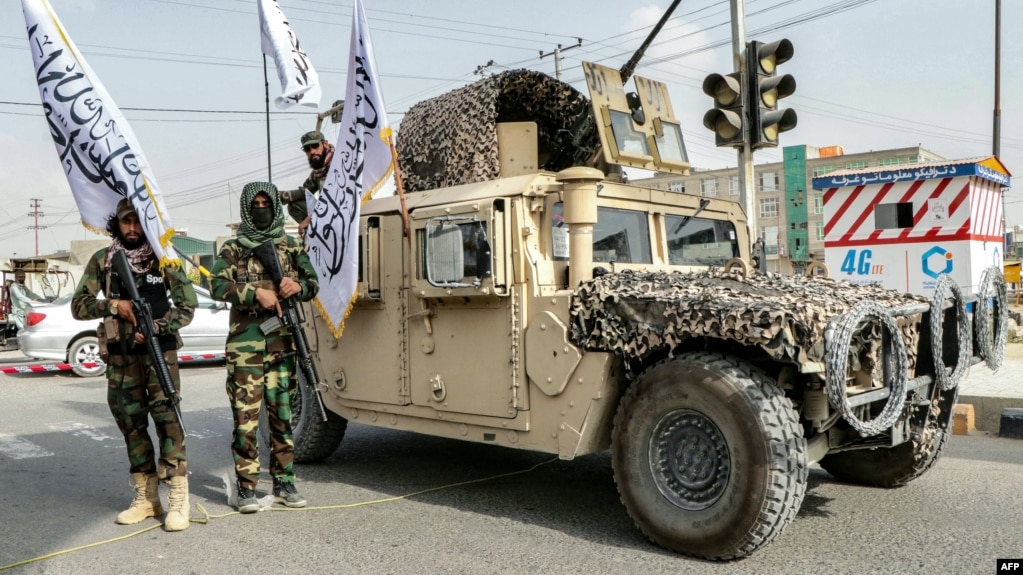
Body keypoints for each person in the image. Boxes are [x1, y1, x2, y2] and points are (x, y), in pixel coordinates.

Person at [70, 198, 197, 532]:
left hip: (160, 352)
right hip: (123, 356)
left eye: (138, 222)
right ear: (117, 224)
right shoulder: (104, 260)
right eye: (126, 222)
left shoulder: (164, 259)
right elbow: (79, 306)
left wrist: (159, 326)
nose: (132, 229)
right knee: (131, 423)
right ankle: (146, 499)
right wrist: (115, 305)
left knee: (169, 421)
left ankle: (178, 500)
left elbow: (188, 305)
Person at [210, 182, 319, 512]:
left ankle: (285, 481)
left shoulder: (289, 247)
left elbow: (313, 283)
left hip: (282, 344)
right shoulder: (234, 248)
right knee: (246, 418)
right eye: (254, 203)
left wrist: (296, 285)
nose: (260, 208)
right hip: (246, 347)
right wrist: (254, 293)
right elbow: (216, 284)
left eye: (265, 202)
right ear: (247, 207)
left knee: (282, 416)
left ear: (274, 206)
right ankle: (246, 487)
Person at [279, 130, 334, 238]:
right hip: (326, 214)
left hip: (345, 212)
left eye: (315, 146)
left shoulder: (338, 165)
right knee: (294, 204)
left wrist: (310, 219)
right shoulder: (318, 172)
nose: (312, 151)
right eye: (307, 149)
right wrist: (281, 196)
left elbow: (336, 202)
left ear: (325, 144)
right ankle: (315, 234)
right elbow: (306, 192)